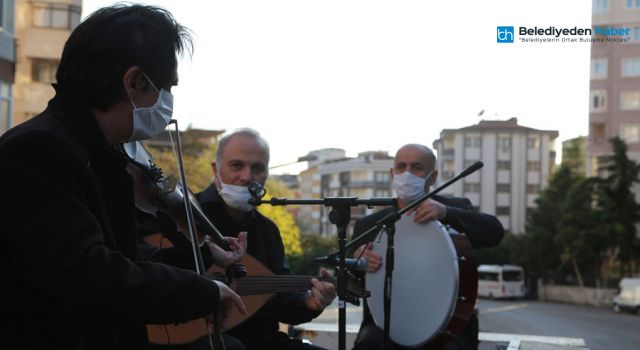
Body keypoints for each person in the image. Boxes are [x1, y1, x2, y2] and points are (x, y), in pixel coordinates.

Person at [0, 5, 247, 349]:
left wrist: (205, 256)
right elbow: (92, 277)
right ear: (133, 82)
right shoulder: (38, 151)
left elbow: (127, 263)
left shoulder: (101, 154)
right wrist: (201, 292)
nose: (169, 101)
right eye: (167, 87)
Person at [191, 128, 337, 350]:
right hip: (199, 339)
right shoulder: (186, 215)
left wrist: (310, 303)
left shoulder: (267, 230)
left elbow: (282, 301)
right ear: (216, 168)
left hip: (262, 340)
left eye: (257, 168)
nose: (247, 177)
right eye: (236, 165)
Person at [351, 144, 505, 350]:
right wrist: (358, 261)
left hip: (448, 326)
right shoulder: (369, 225)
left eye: (416, 167)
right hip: (384, 327)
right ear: (392, 173)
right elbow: (350, 286)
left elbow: (495, 233)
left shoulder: (454, 208)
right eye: (401, 167)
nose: (407, 174)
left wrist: (447, 213)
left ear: (432, 177)